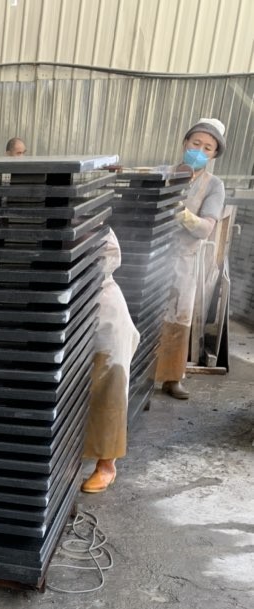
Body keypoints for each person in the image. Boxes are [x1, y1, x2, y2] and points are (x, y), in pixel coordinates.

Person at [154, 118, 226, 399]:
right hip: (153, 258)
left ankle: (172, 378)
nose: (199, 151)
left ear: (214, 154)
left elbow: (206, 228)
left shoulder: (213, 185)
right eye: (196, 143)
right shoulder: (163, 174)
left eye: (207, 148)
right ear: (185, 143)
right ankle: (140, 379)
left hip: (184, 260)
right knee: (146, 318)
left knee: (178, 320)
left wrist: (181, 213)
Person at [81, 229, 140, 493]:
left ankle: (107, 466)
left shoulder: (96, 224)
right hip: (72, 306)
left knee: (110, 386)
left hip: (103, 310)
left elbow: (110, 258)